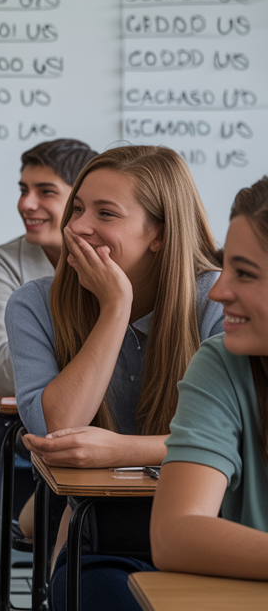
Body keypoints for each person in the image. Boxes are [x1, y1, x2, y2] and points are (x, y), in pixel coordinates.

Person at [5, 145, 223, 611]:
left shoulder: (218, 302)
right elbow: (56, 426)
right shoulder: (33, 304)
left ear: (160, 234)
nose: (78, 226)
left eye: (106, 213)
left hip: (212, 523)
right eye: (78, 208)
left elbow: (241, 440)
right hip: (101, 531)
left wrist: (122, 448)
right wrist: (114, 309)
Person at [150, 177, 268, 582]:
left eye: (245, 274)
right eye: (224, 266)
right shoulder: (223, 363)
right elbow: (173, 534)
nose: (217, 292)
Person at [0, 139, 97, 397]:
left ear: (83, 200)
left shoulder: (121, 257)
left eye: (46, 191)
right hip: (32, 429)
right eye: (23, 190)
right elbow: (4, 376)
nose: (26, 205)